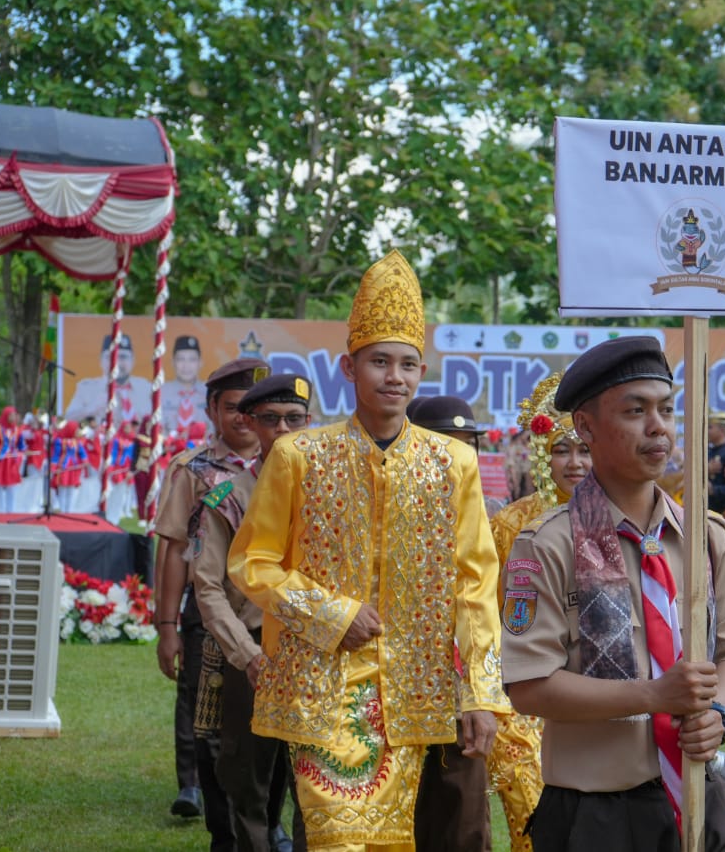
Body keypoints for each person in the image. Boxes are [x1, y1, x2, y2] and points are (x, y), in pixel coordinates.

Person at [227, 250, 509, 850]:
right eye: (379, 361)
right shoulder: (298, 456)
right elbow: (252, 563)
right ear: (347, 367)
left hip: (420, 694)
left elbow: (475, 584)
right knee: (336, 839)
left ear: (422, 371)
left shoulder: (452, 462)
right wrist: (332, 612)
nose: (394, 377)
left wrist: (482, 694)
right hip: (324, 691)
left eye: (407, 364)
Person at [499, 336, 725, 852]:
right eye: (635, 410)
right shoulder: (548, 544)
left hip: (700, 796)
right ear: (585, 426)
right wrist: (653, 696)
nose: (658, 427)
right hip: (597, 813)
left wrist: (718, 715)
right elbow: (528, 687)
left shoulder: (705, 536)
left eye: (666, 409)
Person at [192, 373, 311, 852]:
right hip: (255, 653)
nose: (283, 430)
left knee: (320, 779)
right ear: (250, 423)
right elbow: (208, 587)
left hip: (319, 649)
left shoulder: (333, 493)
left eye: (294, 419)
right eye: (270, 419)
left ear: (309, 422)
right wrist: (247, 656)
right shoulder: (227, 499)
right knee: (248, 780)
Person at [155, 356, 269, 846]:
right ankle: (217, 818)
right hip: (212, 616)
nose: (243, 418)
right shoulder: (194, 470)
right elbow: (176, 548)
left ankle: (268, 824)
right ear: (211, 410)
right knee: (211, 724)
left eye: (252, 408)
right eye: (232, 408)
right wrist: (166, 626)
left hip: (277, 619)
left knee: (275, 729)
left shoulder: (292, 466)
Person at [486, 373, 589, 852]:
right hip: (524, 700)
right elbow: (489, 615)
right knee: (534, 821)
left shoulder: (624, 516)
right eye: (561, 449)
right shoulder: (510, 523)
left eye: (584, 449)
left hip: (606, 694)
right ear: (542, 455)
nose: (575, 463)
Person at [397, 393, 496, 852]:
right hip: (389, 692)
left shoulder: (492, 515)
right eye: (443, 442)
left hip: (460, 691)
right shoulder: (381, 507)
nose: (456, 456)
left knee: (464, 817)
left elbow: (486, 606)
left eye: (466, 444)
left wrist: (484, 692)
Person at [63, 333, 154, 425]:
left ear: (133, 360)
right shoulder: (86, 389)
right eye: (110, 357)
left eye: (123, 357)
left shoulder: (147, 388)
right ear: (100, 360)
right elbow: (66, 421)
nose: (116, 363)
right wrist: (89, 409)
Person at [163, 334, 213, 435]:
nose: (186, 366)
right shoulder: (161, 392)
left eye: (192, 360)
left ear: (200, 363)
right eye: (181, 359)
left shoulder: (209, 392)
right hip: (168, 448)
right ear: (173, 362)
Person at [0, 406, 26, 513]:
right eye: (11, 415)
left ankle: (11, 511)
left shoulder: (18, 430)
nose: (13, 417)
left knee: (12, 487)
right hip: (1, 461)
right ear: (5, 416)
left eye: (14, 415)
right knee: (0, 485)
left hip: (13, 461)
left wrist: (23, 452)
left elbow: (21, 445)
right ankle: (0, 511)